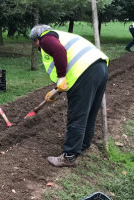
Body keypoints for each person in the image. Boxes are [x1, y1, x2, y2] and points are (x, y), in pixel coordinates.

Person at [29, 25, 109, 168]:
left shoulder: (45, 38)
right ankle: (83, 145)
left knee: (77, 114)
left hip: (84, 73)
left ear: (36, 39)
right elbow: (69, 65)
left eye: (35, 43)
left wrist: (60, 78)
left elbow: (60, 52)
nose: (37, 46)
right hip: (100, 68)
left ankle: (69, 156)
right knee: (89, 112)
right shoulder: (60, 36)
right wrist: (56, 90)